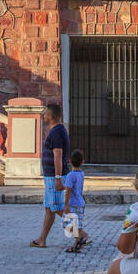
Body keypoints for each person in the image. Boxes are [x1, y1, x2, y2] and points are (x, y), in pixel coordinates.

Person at [30, 101, 70, 248]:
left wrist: (58, 178)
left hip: (54, 177)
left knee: (58, 207)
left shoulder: (56, 133)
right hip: (51, 177)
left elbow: (58, 156)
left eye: (45, 113)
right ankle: (42, 239)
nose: (43, 116)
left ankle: (80, 234)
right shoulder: (57, 131)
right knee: (49, 208)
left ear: (51, 116)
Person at [62, 149, 88, 252]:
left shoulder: (70, 175)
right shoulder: (81, 174)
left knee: (66, 224)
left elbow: (68, 191)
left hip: (73, 204)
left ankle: (80, 239)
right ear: (83, 162)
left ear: (69, 161)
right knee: (77, 224)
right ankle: (79, 243)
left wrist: (66, 205)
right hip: (80, 203)